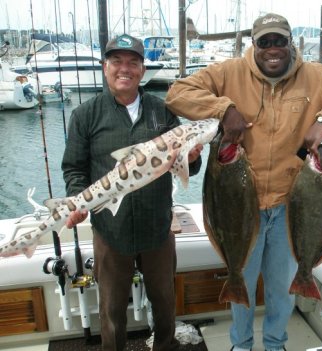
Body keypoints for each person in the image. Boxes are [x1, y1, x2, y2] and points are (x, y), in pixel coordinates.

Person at [165, 13, 322, 351]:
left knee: (282, 286)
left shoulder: (318, 77)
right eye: (264, 41)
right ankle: (241, 344)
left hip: (288, 206)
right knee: (242, 281)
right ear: (254, 44)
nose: (272, 49)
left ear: (290, 42)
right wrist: (224, 108)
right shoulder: (226, 74)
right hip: (241, 208)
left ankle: (275, 343)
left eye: (279, 40)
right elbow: (178, 94)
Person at [62, 34, 203, 351]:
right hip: (111, 231)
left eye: (133, 62)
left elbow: (188, 167)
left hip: (157, 227)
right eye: (117, 61)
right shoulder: (85, 115)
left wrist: (193, 159)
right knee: (111, 310)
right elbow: (73, 167)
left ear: (142, 69)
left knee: (165, 302)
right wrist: (77, 199)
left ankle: (164, 346)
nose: (124, 69)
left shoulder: (162, 111)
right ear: (105, 66)